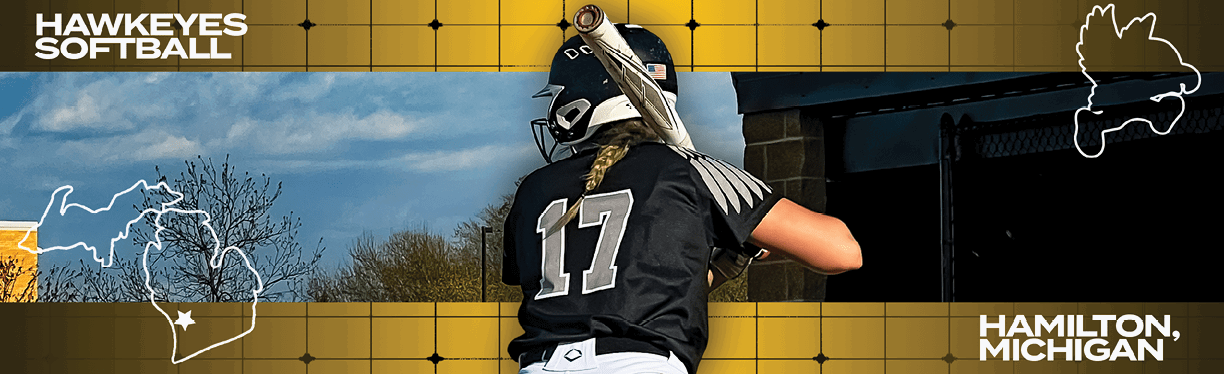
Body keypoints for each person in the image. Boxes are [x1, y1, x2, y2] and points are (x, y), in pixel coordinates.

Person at [503, 24, 861, 374]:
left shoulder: (533, 190)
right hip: (640, 362)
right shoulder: (690, 169)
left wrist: (718, 265)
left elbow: (609, 294)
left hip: (541, 363)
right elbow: (842, 252)